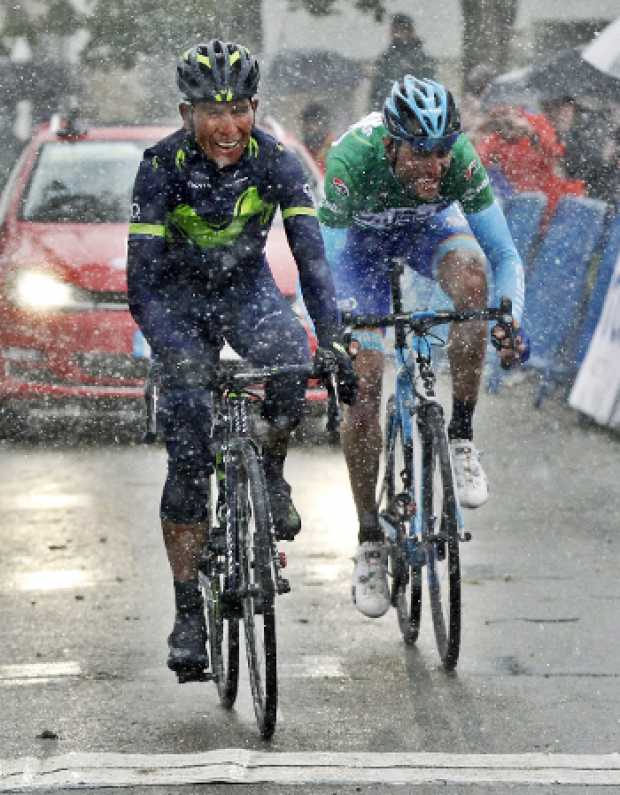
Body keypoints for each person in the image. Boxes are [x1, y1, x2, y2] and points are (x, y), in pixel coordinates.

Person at [127, 40, 356, 677]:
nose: (227, 126)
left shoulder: (278, 162)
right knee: (188, 457)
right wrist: (174, 353)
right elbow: (141, 285)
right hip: (177, 302)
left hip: (244, 292)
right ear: (187, 113)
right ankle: (187, 614)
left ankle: (272, 475)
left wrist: (332, 338)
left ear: (254, 107)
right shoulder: (160, 166)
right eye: (212, 112)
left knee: (291, 356)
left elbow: (311, 258)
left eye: (239, 109)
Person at [318, 76, 528, 619]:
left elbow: (505, 255)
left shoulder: (459, 162)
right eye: (420, 153)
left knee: (474, 285)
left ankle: (461, 436)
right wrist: (337, 334)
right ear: (391, 144)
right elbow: (325, 269)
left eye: (441, 152)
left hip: (426, 229)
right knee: (364, 386)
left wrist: (510, 320)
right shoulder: (350, 161)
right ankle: (369, 538)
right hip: (358, 253)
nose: (434, 166)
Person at [368, 14, 437, 113]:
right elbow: (377, 89)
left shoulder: (422, 58)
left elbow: (430, 86)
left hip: (417, 111)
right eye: (396, 30)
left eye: (402, 29)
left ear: (410, 31)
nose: (399, 33)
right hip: (391, 110)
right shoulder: (385, 58)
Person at [300, 100, 334, 172]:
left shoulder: (334, 148)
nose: (309, 127)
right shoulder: (301, 149)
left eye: (313, 122)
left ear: (323, 125)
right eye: (306, 122)